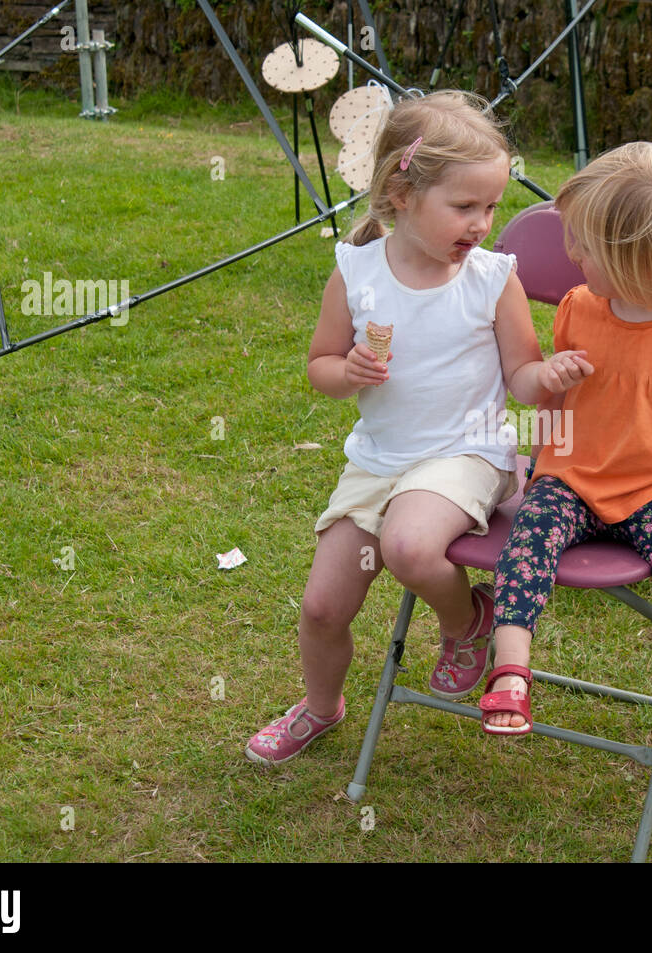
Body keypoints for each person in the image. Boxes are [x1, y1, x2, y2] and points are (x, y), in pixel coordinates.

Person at [246, 91, 577, 764]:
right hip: (379, 459)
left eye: (491, 206)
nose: (483, 223)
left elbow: (521, 373)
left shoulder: (491, 279)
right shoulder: (357, 270)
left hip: (467, 454)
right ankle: (320, 707)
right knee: (321, 607)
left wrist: (546, 380)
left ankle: (465, 622)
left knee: (408, 543)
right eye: (465, 206)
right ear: (401, 192)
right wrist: (350, 373)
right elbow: (319, 364)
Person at [481, 142, 652, 792]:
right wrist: (554, 379)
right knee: (528, 539)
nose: (572, 254)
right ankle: (512, 673)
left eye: (586, 245)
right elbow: (559, 395)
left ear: (638, 258)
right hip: (572, 478)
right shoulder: (580, 305)